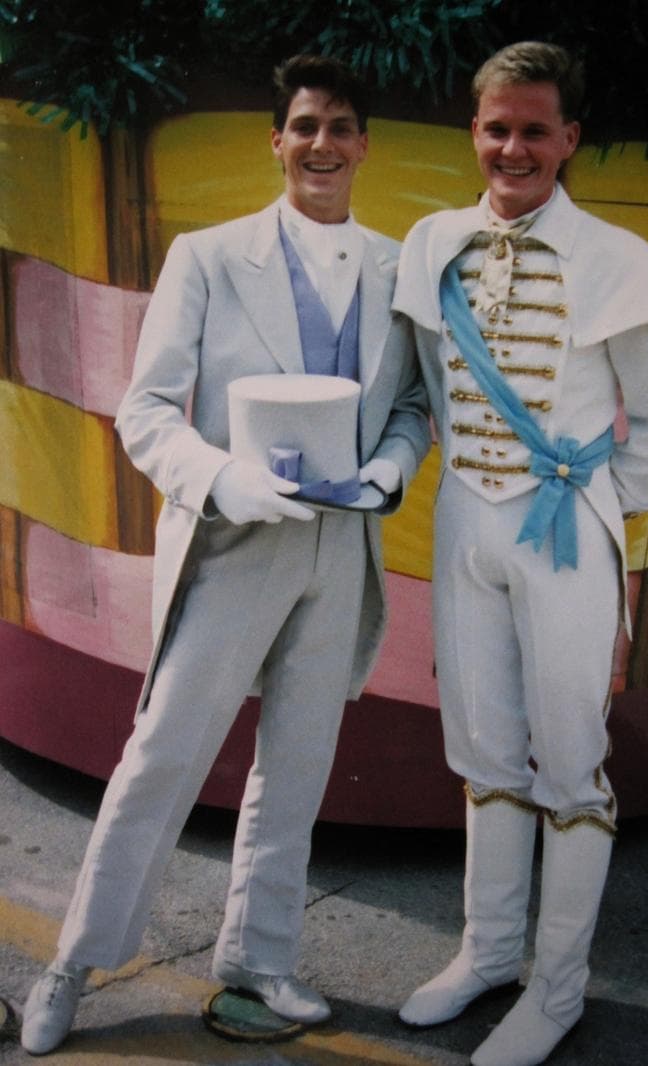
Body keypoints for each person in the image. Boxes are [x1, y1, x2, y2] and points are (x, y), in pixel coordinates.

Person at [21, 53, 429, 1056]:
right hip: (233, 545)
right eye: (304, 126)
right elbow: (146, 409)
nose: (321, 143)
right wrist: (219, 478)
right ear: (277, 142)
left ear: (363, 145)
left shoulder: (396, 268)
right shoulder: (208, 255)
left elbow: (413, 406)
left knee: (296, 766)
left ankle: (259, 959)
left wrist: (390, 468)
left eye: (339, 125)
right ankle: (68, 966)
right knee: (160, 756)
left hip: (341, 555)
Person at [392, 40, 648, 1066]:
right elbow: (427, 386)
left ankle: (555, 989)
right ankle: (484, 953)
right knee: (481, 747)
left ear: (569, 138)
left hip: (564, 525)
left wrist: (596, 499)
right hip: (463, 520)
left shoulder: (618, 259)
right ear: (471, 133)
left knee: (569, 760)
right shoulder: (431, 241)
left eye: (533, 129)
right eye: (495, 128)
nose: (512, 147)